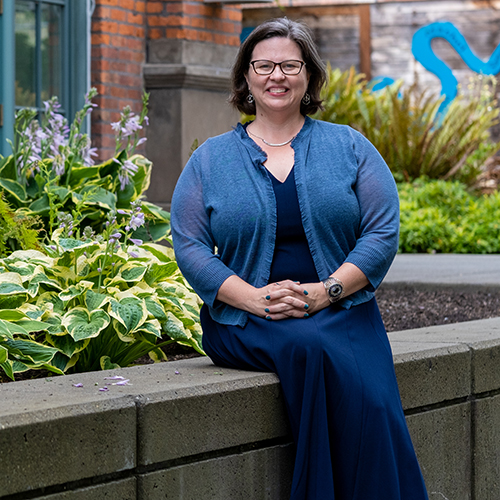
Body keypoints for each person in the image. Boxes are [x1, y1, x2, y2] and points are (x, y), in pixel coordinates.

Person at [171, 17, 429, 500]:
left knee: (373, 403)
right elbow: (188, 244)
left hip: (342, 307)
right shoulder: (210, 159)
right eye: (264, 65)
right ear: (245, 76)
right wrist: (253, 298)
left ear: (308, 75)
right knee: (309, 348)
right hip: (246, 318)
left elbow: (382, 231)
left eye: (290, 65)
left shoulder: (349, 145)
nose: (277, 76)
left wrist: (326, 290)